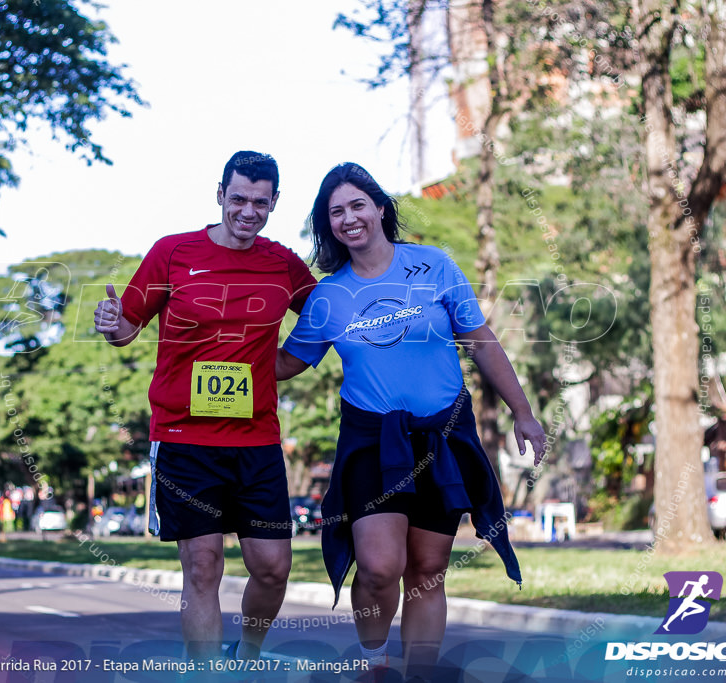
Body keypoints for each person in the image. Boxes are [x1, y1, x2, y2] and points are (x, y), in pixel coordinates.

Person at [276, 162, 547, 681]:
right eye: (336, 212)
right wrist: (226, 337)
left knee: (427, 570)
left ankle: (419, 675)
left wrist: (524, 412)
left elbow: (482, 341)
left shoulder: (434, 266)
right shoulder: (328, 297)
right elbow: (287, 364)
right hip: (372, 440)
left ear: (380, 208)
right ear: (327, 225)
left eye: (358, 205)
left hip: (442, 435)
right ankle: (373, 665)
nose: (349, 217)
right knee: (380, 568)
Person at [94, 151, 317, 661]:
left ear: (274, 203)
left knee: (272, 568)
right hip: (183, 438)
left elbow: (327, 313)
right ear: (220, 195)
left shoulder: (282, 262)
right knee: (202, 567)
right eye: (238, 198)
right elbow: (127, 328)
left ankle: (248, 655)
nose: (248, 210)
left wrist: (289, 360)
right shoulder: (172, 253)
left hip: (257, 441)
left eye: (260, 202)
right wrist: (113, 325)